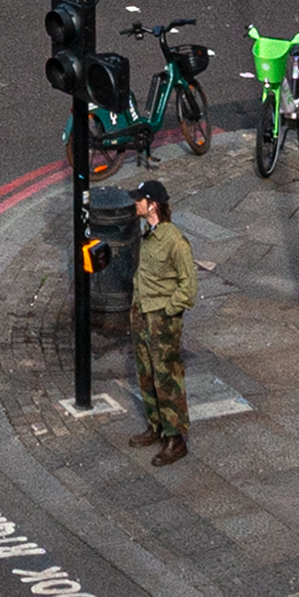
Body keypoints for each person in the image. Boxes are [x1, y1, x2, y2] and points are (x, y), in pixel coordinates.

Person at [130, 181, 196, 465]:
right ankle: (155, 426)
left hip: (161, 319)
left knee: (166, 377)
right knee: (146, 375)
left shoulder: (175, 241)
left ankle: (175, 438)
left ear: (153, 205)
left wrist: (168, 310)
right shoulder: (149, 235)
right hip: (142, 314)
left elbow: (188, 287)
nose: (136, 204)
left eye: (140, 200)